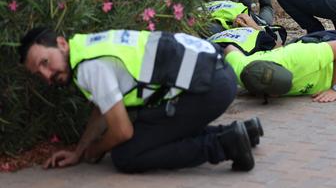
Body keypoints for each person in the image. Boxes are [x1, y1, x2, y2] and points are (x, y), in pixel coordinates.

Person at [18, 27, 263, 173]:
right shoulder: (88, 46)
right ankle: (240, 132)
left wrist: (97, 148)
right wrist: (80, 151)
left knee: (127, 155)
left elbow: (121, 131)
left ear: (61, 43)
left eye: (45, 63)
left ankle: (224, 145)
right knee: (146, 130)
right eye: (39, 73)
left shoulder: (88, 67)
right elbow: (104, 108)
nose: (47, 75)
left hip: (208, 88)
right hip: (216, 72)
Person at [207, 13, 286, 55]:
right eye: (237, 18)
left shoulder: (258, 34)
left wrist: (255, 27)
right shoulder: (223, 31)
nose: (238, 20)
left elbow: (280, 50)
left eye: (242, 19)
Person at [202, 0, 275, 34]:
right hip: (236, 9)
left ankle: (265, 2)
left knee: (266, 23)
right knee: (265, 21)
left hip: (241, 12)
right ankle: (262, 1)